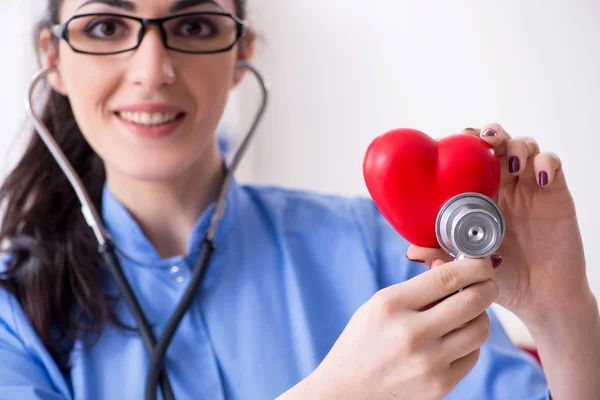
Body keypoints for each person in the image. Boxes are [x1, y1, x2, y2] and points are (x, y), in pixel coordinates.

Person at [0, 0, 598, 399]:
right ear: (52, 59)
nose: (153, 70)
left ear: (241, 55)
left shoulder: (384, 246)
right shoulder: (12, 318)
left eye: (193, 26)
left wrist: (563, 312)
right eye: (106, 27)